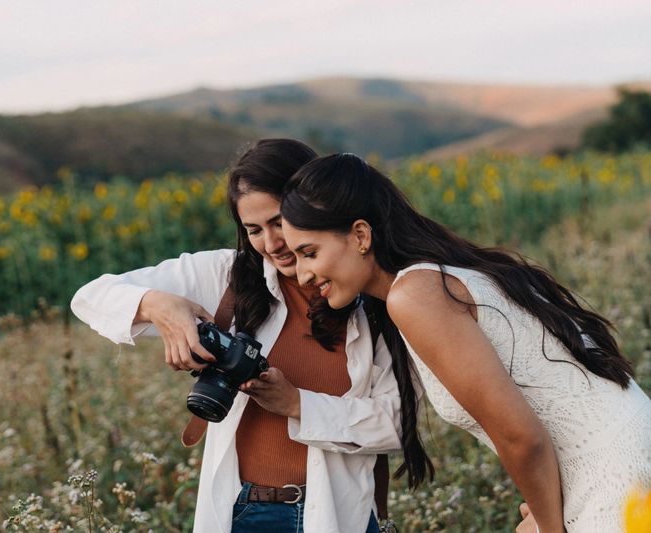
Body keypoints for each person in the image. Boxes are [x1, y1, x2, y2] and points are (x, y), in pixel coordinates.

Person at [70, 139, 432, 533]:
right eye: (253, 229)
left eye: (279, 222)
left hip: (340, 513)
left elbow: (396, 423)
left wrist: (297, 404)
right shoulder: (225, 276)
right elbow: (89, 297)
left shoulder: (373, 294)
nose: (272, 244)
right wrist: (158, 305)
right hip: (247, 513)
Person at [279, 152, 651, 533]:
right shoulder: (433, 278)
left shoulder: (414, 296)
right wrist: (543, 515)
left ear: (360, 235)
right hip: (616, 459)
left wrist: (547, 527)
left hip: (614, 477)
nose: (303, 274)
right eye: (293, 257)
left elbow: (521, 436)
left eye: (309, 253)